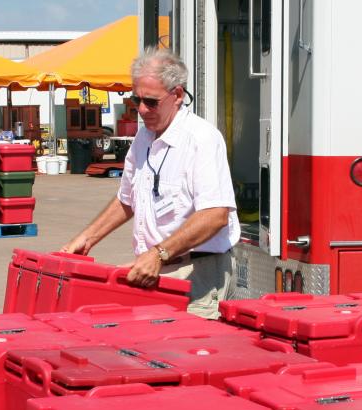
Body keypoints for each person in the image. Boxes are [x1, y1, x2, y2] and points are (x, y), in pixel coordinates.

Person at [61, 48, 240, 318]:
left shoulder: (201, 140)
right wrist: (86, 239)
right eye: (136, 100)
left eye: (151, 102)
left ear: (177, 95)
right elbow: (127, 198)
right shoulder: (144, 138)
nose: (142, 110)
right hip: (157, 268)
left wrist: (159, 254)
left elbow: (215, 215)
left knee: (186, 356)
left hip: (197, 273)